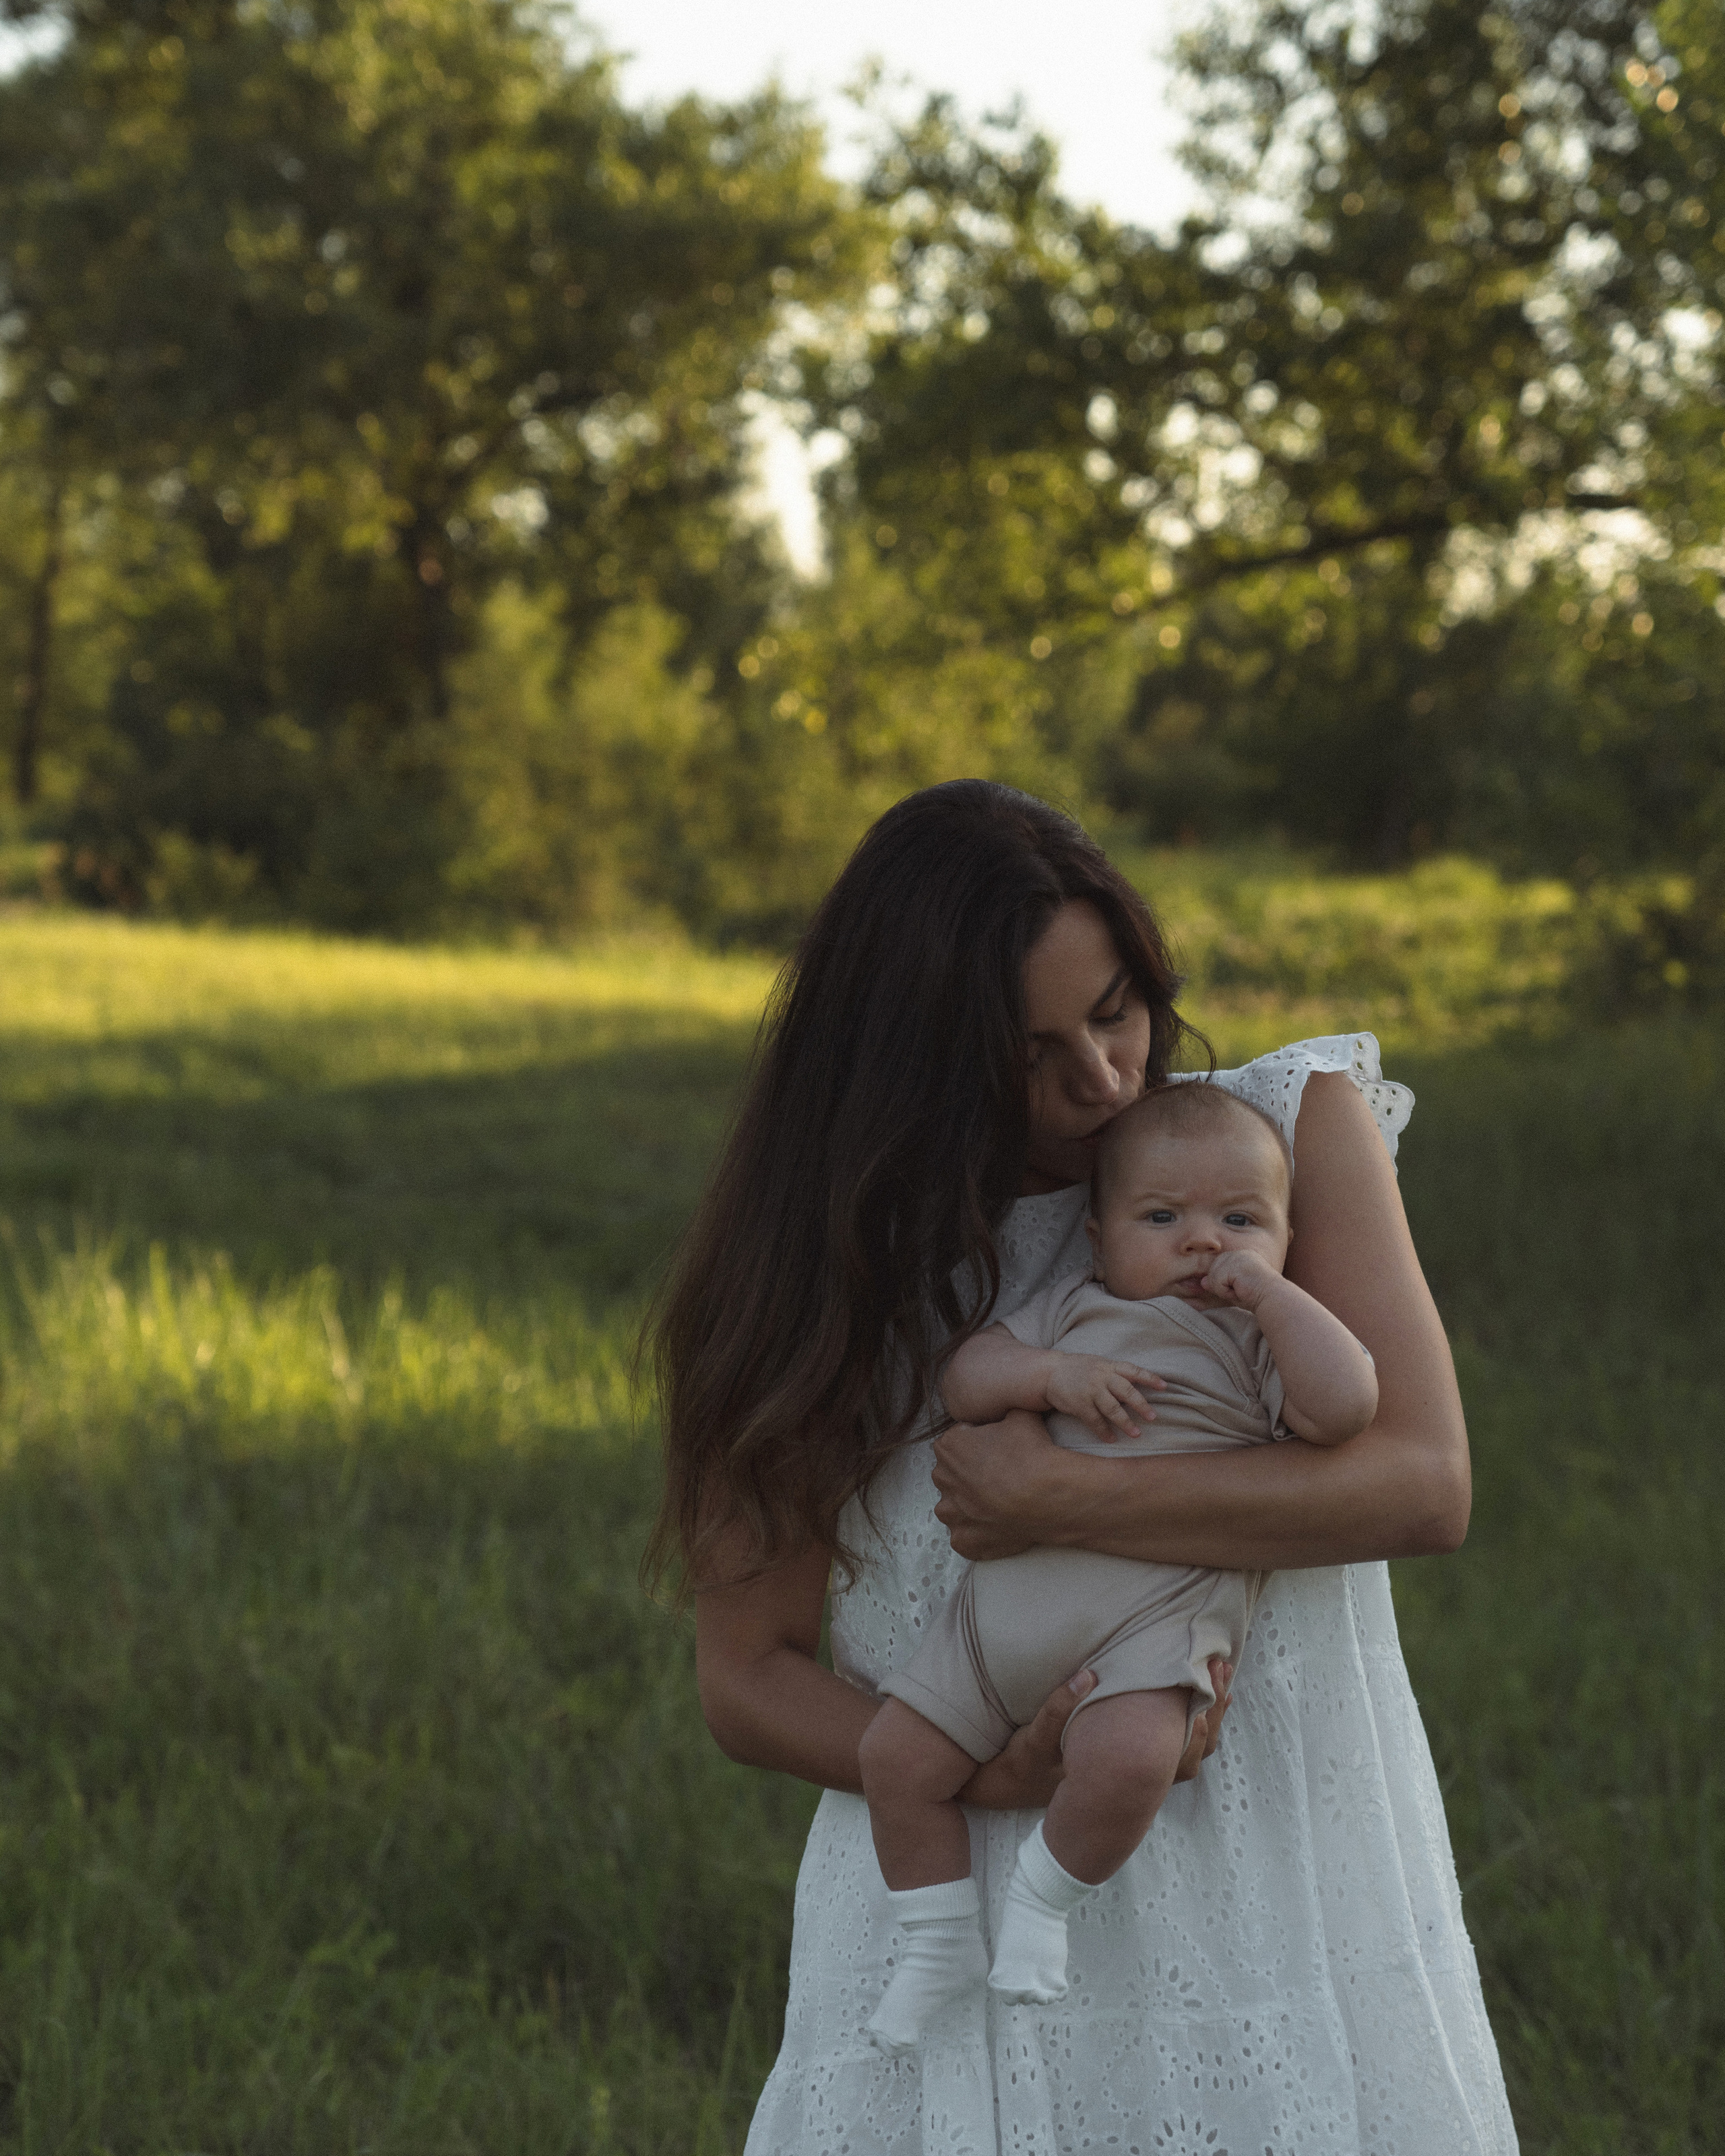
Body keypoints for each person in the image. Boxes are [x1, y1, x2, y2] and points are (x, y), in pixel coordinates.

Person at [649, 782, 1517, 2156]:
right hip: (960, 1896)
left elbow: (1420, 1482)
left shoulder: (1272, 1145)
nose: (1105, 1079)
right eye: (1030, 1050)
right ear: (910, 1059)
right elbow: (744, 1676)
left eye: (1113, 1008)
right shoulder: (825, 1272)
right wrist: (994, 1775)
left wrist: (1067, 1496)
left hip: (1267, 1875)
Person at [860, 1081, 1379, 2054]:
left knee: (1134, 1759)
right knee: (895, 1760)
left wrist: (1274, 1296)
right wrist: (1053, 1375)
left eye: (1240, 1220)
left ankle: (1041, 1904)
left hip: (1152, 1627)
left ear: (1286, 1236)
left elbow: (1347, 1408)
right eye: (1162, 1216)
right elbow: (966, 1378)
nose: (1202, 1242)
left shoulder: (1257, 1345)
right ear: (1098, 1239)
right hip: (1001, 1619)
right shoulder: (1073, 1310)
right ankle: (933, 1944)